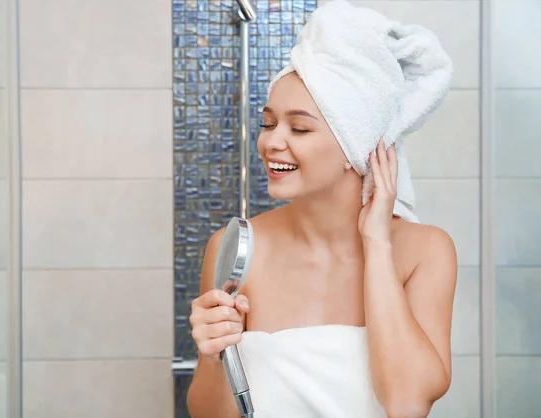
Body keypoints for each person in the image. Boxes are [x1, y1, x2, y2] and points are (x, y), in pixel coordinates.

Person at [186, 2, 457, 417]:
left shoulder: (424, 252)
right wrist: (210, 353)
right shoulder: (235, 248)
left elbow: (406, 404)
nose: (271, 143)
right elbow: (210, 415)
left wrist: (378, 245)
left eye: (299, 128)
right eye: (267, 123)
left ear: (356, 146)